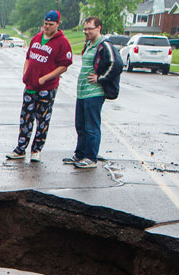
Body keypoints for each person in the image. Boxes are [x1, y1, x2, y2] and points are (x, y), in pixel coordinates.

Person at [6, 10, 73, 163]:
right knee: (26, 118)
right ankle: (20, 148)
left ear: (57, 24)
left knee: (42, 119)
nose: (47, 27)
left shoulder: (62, 42)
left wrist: (45, 78)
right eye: (45, 24)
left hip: (47, 88)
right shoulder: (37, 38)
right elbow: (29, 58)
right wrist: (25, 73)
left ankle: (36, 150)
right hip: (30, 85)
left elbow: (64, 66)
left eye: (51, 24)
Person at [64, 16, 117, 169]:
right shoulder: (89, 43)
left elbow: (116, 64)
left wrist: (100, 78)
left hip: (94, 93)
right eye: (85, 29)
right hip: (82, 92)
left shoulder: (104, 45)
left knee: (91, 126)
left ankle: (91, 157)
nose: (86, 32)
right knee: (80, 125)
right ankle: (80, 154)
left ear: (98, 28)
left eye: (90, 29)